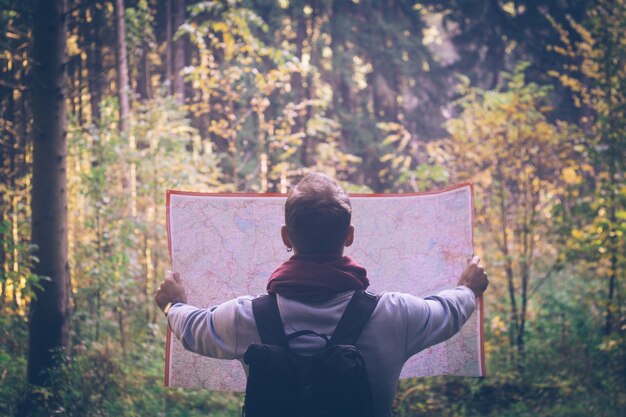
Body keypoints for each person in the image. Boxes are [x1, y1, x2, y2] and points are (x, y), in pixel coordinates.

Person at [155, 173, 488, 417]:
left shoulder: (245, 317)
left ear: (287, 236)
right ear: (350, 236)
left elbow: (192, 329)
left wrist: (172, 303)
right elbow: (449, 312)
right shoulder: (396, 315)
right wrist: (469, 288)